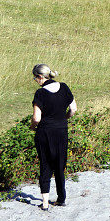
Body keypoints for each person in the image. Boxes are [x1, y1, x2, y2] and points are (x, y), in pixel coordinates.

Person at [29, 64, 77, 211]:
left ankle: (44, 202)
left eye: (35, 78)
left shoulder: (41, 94)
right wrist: (64, 119)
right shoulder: (64, 87)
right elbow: (73, 109)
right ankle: (61, 198)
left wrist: (32, 126)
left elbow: (37, 118)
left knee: (45, 163)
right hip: (61, 131)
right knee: (60, 164)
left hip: (45, 132)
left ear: (40, 77)